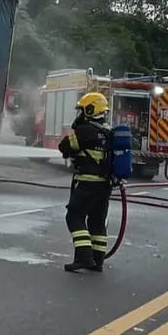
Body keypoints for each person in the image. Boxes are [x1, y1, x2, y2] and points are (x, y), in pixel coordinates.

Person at [58, 91, 114, 273]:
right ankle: (98, 260)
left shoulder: (85, 131)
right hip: (105, 186)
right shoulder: (109, 132)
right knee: (97, 221)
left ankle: (83, 257)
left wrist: (76, 130)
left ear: (90, 110)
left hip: (86, 183)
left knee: (74, 216)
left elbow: (65, 146)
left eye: (82, 111)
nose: (80, 115)